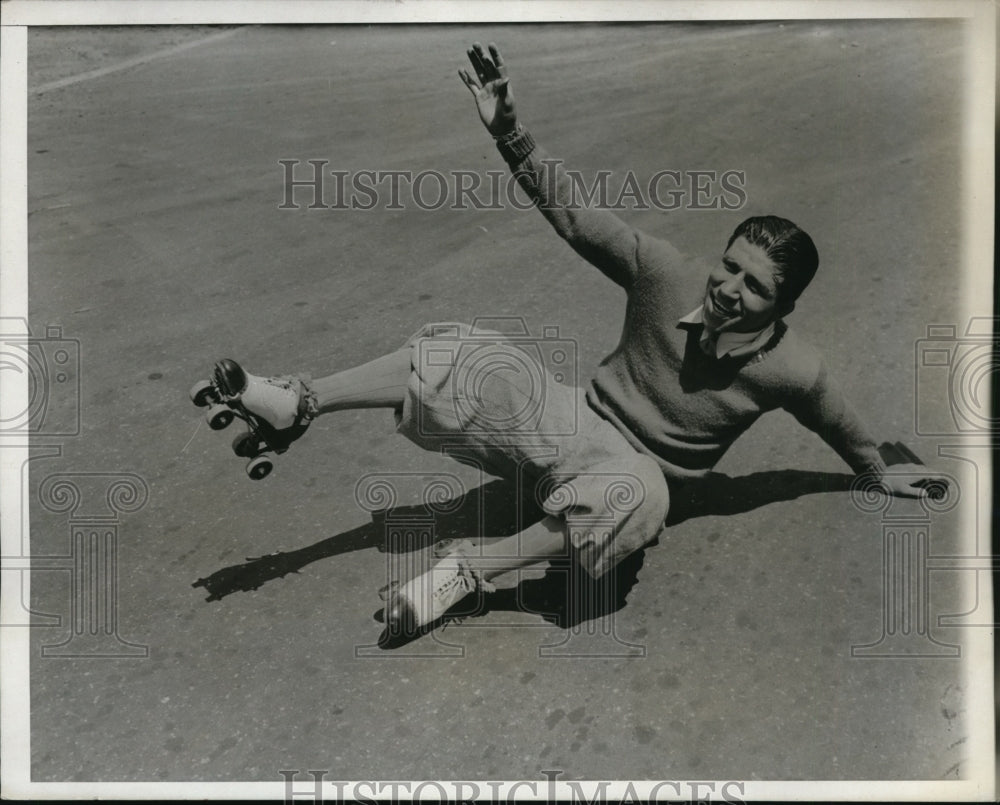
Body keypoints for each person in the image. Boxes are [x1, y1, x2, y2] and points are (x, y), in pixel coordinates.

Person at [203, 42, 943, 637]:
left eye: (753, 286)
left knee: (638, 489)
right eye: (730, 266)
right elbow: (576, 217)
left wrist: (874, 472)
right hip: (570, 422)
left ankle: (470, 573)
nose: (727, 288)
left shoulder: (794, 369)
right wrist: (508, 132)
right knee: (465, 350)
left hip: (635, 481)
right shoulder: (665, 273)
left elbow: (837, 424)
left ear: (783, 305)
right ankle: (301, 402)